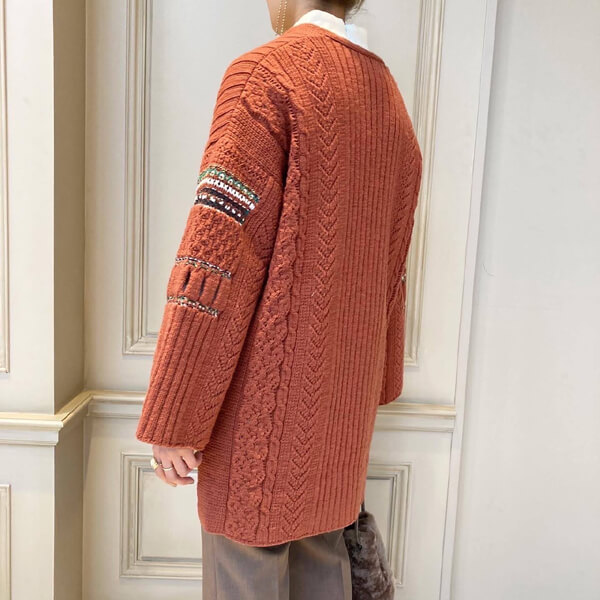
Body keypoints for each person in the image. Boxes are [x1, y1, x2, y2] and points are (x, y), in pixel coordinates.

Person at [135, 0, 423, 598]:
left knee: (245, 576)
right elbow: (391, 273)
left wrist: (176, 413)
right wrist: (372, 390)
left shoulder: (265, 78)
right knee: (324, 575)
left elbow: (218, 253)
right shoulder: (389, 101)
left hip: (258, 431)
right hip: (339, 427)